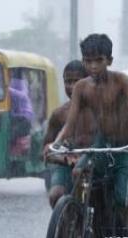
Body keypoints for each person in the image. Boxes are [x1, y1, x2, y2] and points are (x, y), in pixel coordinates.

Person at [51, 33, 128, 238]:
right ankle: (78, 229)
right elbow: (70, 122)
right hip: (102, 142)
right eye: (88, 61)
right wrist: (56, 141)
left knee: (120, 200)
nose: (93, 66)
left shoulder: (121, 81)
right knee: (78, 172)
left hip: (125, 147)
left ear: (109, 60)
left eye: (98, 60)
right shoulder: (81, 88)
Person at [43, 60, 93, 208]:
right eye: (67, 81)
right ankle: (64, 226)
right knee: (55, 195)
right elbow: (47, 149)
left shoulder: (99, 111)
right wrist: (64, 159)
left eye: (76, 81)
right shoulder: (59, 114)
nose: (71, 87)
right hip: (65, 166)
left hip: (94, 164)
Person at [9, 70, 34, 146]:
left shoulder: (18, 84)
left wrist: (6, 89)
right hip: (19, 116)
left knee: (9, 133)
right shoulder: (17, 83)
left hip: (24, 118)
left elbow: (21, 95)